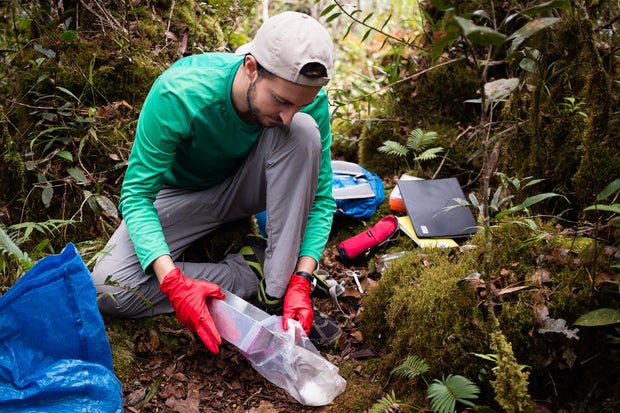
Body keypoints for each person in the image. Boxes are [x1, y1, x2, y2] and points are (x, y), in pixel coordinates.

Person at [91, 11, 341, 354]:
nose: (287, 114)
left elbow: (322, 200)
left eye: (302, 103)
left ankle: (278, 291)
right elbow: (136, 196)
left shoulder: (302, 106)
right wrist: (174, 284)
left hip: (249, 186)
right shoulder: (181, 93)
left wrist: (303, 277)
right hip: (181, 196)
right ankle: (250, 273)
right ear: (251, 67)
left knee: (303, 133)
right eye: (281, 100)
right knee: (108, 288)